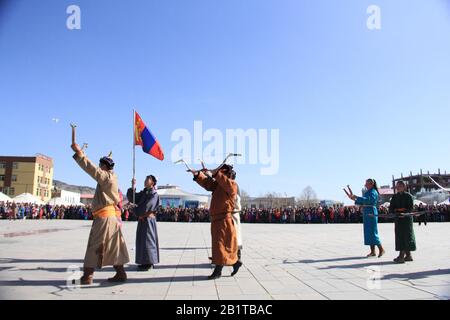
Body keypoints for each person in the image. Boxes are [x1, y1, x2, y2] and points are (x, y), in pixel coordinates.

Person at [71, 144, 130, 285]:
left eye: (100, 165)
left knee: (94, 245)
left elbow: (91, 169)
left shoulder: (106, 177)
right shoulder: (111, 177)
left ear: (104, 166)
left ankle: (87, 276)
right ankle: (121, 273)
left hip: (104, 218)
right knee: (113, 246)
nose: (99, 167)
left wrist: (80, 154)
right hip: (110, 217)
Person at [189, 164, 242, 280]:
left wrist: (215, 173)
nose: (220, 175)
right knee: (219, 246)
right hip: (217, 220)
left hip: (224, 220)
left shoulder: (232, 185)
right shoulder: (219, 186)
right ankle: (235, 263)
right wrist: (198, 175)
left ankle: (218, 271)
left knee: (219, 246)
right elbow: (207, 184)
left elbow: (223, 181)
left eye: (222, 173)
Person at [127, 175, 160, 271]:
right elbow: (133, 198)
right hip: (142, 220)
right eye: (145, 179)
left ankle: (149, 262)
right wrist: (133, 186)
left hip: (148, 220)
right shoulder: (144, 192)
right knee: (142, 241)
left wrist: (135, 210)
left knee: (148, 241)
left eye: (147, 179)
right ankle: (143, 261)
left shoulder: (154, 194)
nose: (145, 181)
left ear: (152, 182)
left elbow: (147, 207)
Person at [347, 179, 385, 258]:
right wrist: (354, 198)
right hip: (367, 212)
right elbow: (362, 201)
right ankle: (373, 251)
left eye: (367, 184)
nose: (365, 185)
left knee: (372, 231)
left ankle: (381, 249)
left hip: (371, 212)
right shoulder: (368, 192)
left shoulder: (373, 192)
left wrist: (356, 197)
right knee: (368, 232)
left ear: (371, 184)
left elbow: (368, 200)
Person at [390, 181, 416, 264]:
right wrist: (395, 212)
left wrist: (404, 213)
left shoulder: (409, 196)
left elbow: (411, 208)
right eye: (397, 186)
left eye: (400, 186)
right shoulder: (394, 197)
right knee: (399, 236)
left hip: (407, 219)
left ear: (405, 186)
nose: (398, 187)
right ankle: (408, 255)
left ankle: (401, 256)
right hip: (398, 219)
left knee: (407, 236)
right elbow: (391, 208)